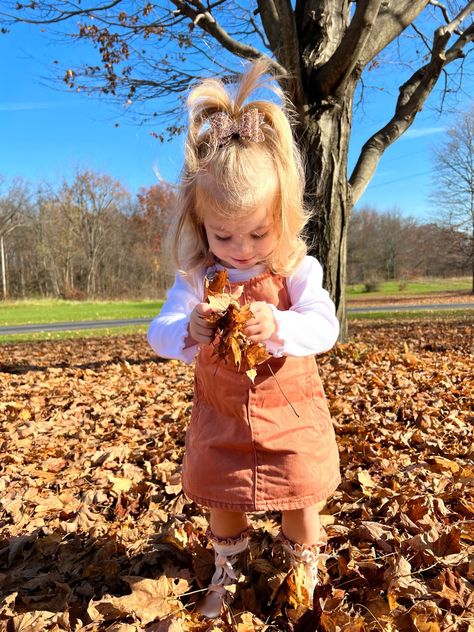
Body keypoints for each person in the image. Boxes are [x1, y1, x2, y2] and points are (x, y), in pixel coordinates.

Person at [147, 60, 340, 618]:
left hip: (289, 414)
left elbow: (325, 327)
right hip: (222, 415)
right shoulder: (197, 279)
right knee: (221, 499)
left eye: (258, 231)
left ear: (284, 218)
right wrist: (188, 329)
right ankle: (229, 566)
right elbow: (158, 333)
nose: (241, 247)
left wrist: (279, 326)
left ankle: (302, 564)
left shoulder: (298, 271)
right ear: (200, 226)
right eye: (223, 233)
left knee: (300, 496)